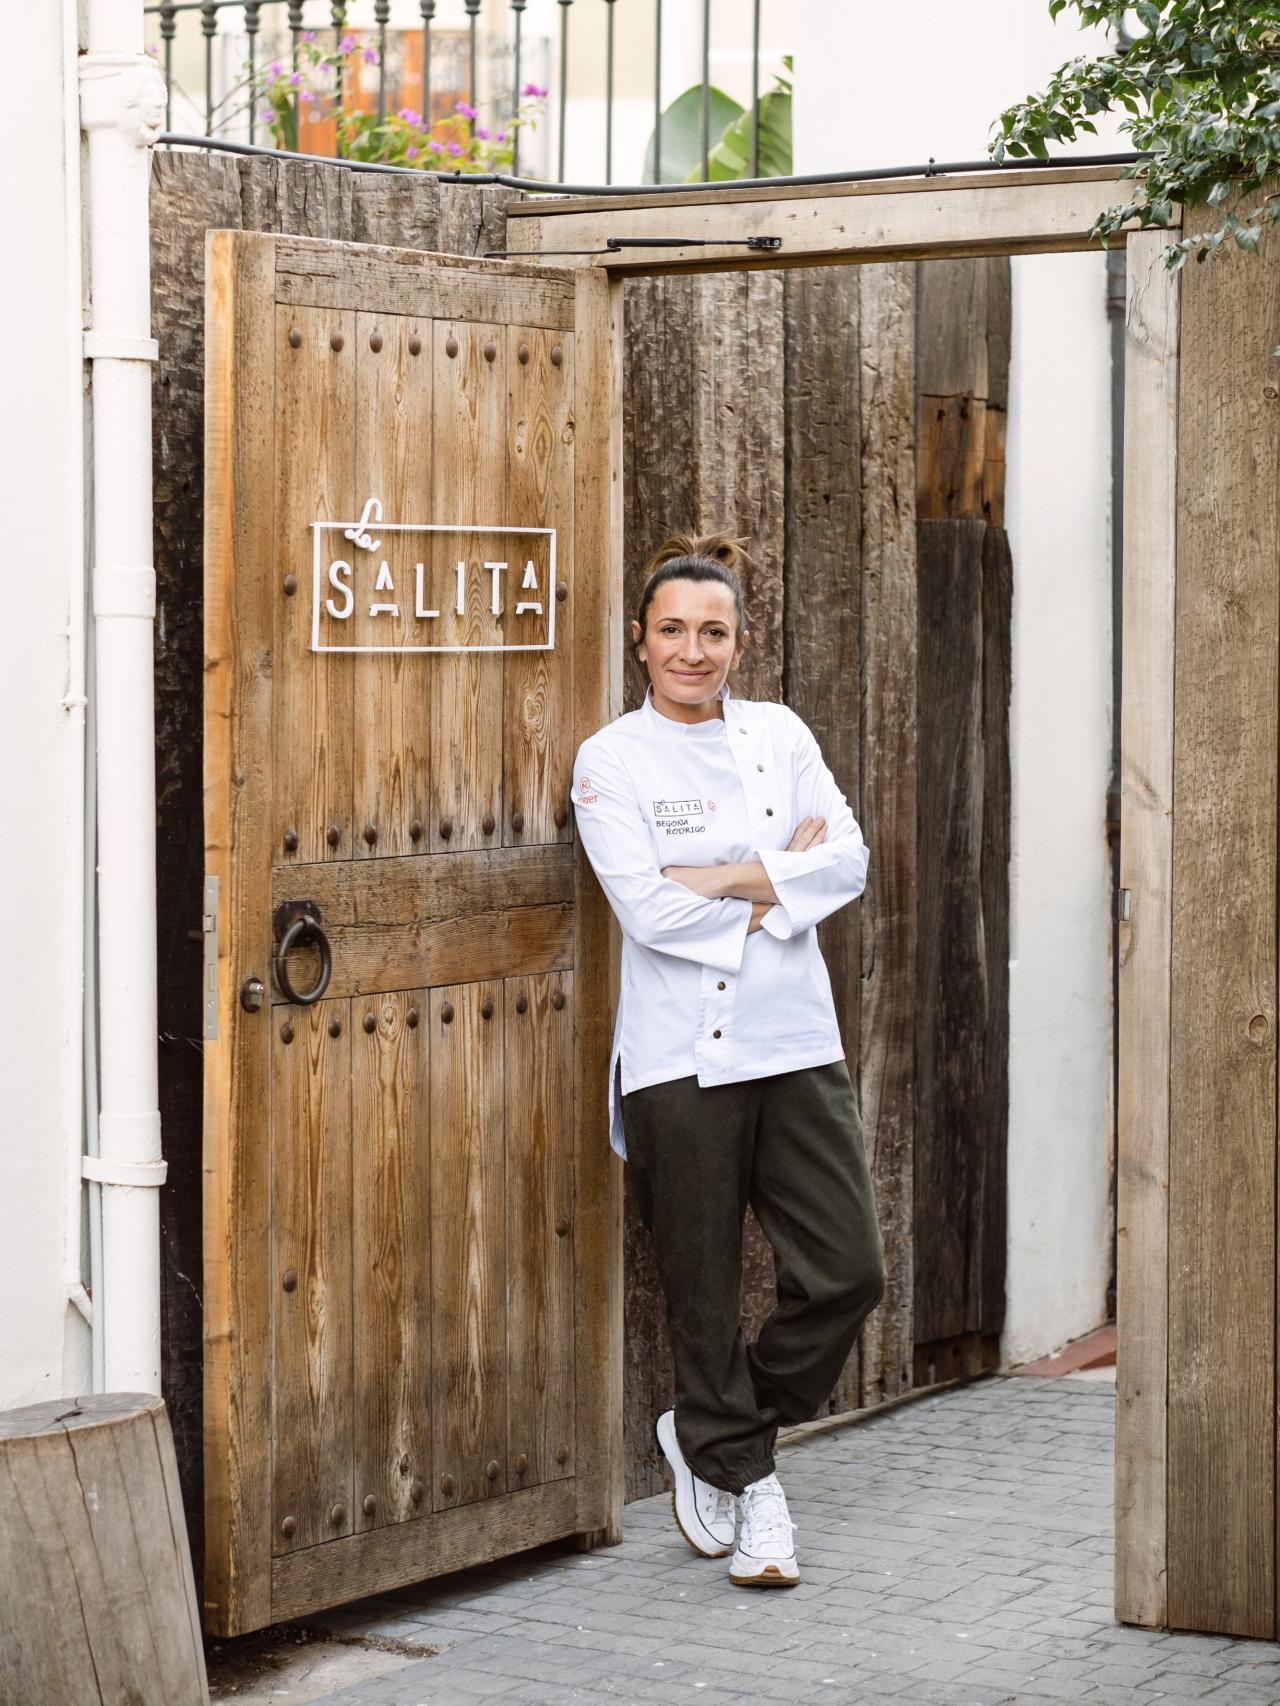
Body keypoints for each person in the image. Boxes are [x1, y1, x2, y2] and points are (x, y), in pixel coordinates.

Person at [570, 531, 887, 1589]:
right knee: (700, 1291)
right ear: (639, 639)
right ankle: (754, 1495)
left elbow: (842, 857)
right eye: (672, 631)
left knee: (846, 1269)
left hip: (793, 1043)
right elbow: (650, 910)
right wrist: (771, 880)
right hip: (673, 1060)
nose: (692, 651)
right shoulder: (609, 758)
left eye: (713, 632)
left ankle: (712, 1427)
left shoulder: (780, 733)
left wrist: (719, 873)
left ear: (738, 642)